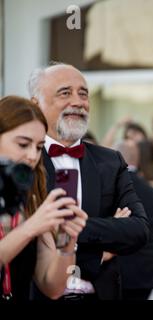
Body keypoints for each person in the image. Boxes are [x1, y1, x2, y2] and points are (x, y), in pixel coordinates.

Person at [28, 62, 150, 300]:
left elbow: (138, 230)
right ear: (36, 104)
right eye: (65, 93)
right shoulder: (25, 160)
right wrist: (101, 251)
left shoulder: (111, 161)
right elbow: (25, 241)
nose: (78, 101)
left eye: (83, 94)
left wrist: (69, 229)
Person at [0, 96, 88, 300]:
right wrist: (31, 227)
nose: (32, 155)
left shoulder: (30, 197)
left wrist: (67, 244)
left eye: (39, 147)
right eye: (23, 144)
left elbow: (53, 288)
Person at [115, 140, 153, 300]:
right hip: (145, 270)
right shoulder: (152, 191)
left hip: (119, 269)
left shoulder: (110, 188)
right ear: (136, 159)